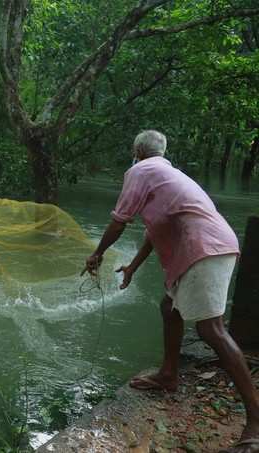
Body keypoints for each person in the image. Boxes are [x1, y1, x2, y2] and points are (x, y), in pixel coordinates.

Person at [84, 130, 259, 453]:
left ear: (137, 151)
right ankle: (168, 374)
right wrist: (134, 266)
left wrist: (97, 254)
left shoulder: (140, 171)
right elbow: (155, 231)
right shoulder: (168, 174)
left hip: (205, 248)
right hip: (204, 247)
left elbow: (120, 220)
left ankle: (255, 421)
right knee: (170, 308)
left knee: (211, 330)